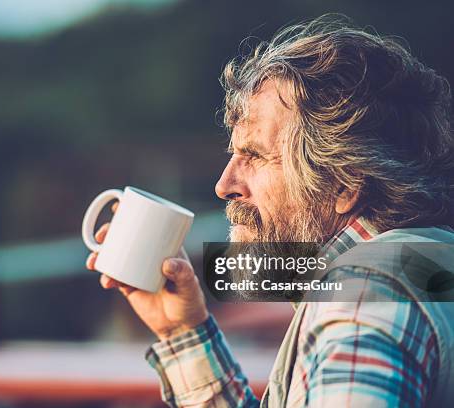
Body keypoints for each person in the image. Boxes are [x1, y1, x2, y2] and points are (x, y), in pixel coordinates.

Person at [86, 15, 454, 407]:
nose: (224, 185)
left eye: (254, 155)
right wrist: (183, 330)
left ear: (344, 183)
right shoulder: (426, 260)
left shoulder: (361, 295)